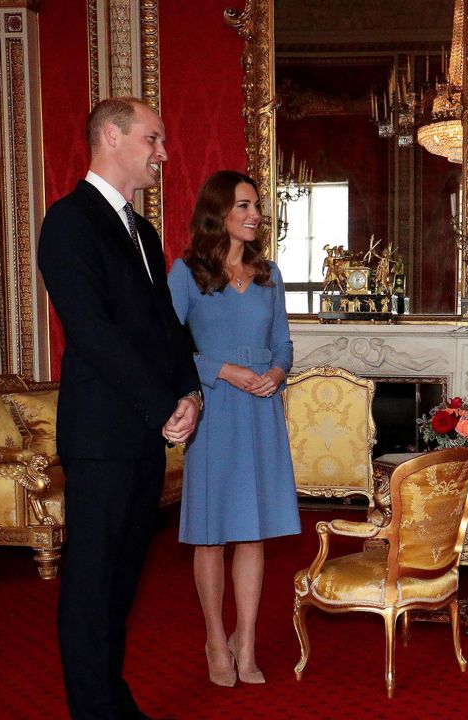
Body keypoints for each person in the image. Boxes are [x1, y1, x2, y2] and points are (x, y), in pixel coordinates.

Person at [38, 96, 202, 720]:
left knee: (123, 583)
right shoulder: (69, 221)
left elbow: (165, 324)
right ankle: (93, 708)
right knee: (90, 583)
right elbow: (91, 331)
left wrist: (189, 392)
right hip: (102, 436)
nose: (163, 153)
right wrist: (162, 404)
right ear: (111, 136)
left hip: (142, 434)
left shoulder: (143, 229)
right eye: (153, 139)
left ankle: (111, 698)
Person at [167, 170, 300, 688]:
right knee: (211, 533)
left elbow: (284, 345)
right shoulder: (187, 273)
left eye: (257, 207)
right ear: (218, 210)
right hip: (215, 409)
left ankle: (246, 641)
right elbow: (171, 348)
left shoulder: (269, 275)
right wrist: (223, 371)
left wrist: (273, 374)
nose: (254, 215)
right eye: (243, 205)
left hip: (261, 411)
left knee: (252, 531)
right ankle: (214, 640)